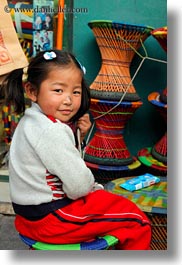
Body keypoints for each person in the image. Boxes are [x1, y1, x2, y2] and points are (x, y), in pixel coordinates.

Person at [2, 49, 151, 250]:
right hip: (53, 220)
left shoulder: (30, 120)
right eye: (58, 90)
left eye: (76, 91)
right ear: (32, 91)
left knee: (107, 202)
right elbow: (79, 186)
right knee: (135, 220)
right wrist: (93, 188)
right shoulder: (51, 130)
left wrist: (77, 134)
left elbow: (56, 164)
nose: (68, 100)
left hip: (29, 218)